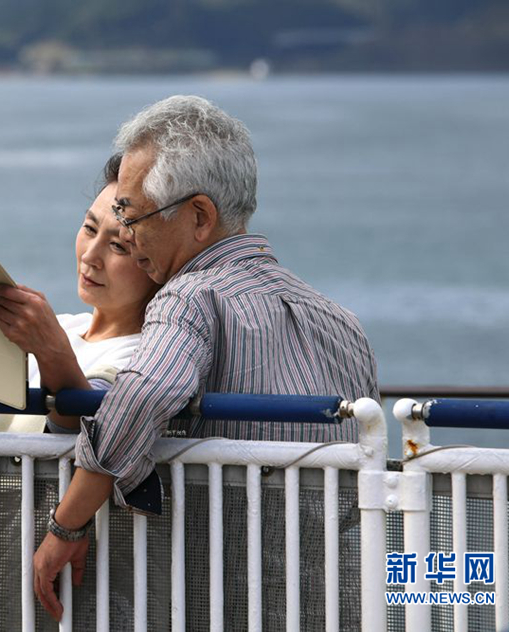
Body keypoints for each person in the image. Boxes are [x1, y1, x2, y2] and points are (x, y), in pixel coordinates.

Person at [32, 95, 379, 622]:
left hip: (226, 593)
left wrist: (66, 527)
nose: (126, 231)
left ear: (199, 217)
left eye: (131, 213)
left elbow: (143, 396)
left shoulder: (191, 294)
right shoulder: (339, 319)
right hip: (332, 591)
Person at [0, 154, 160, 434]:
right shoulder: (62, 327)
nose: (90, 255)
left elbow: (80, 433)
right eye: (89, 228)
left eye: (119, 246)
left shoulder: (145, 356)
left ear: (156, 262)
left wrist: (50, 349)